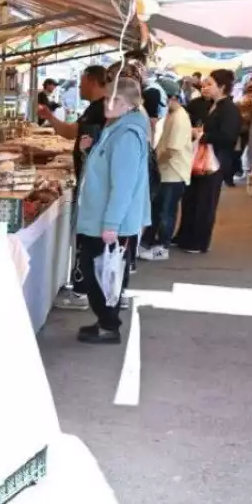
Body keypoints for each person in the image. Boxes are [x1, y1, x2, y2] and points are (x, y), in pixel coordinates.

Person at [74, 75, 151, 344]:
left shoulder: (128, 134)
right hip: (101, 217)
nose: (108, 103)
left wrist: (111, 224)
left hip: (107, 220)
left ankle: (109, 325)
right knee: (101, 271)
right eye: (107, 97)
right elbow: (105, 170)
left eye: (115, 100)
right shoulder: (117, 127)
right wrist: (88, 152)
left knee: (103, 273)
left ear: (130, 104)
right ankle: (105, 322)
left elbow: (124, 185)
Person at [40, 66, 109, 311]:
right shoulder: (99, 108)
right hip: (91, 181)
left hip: (93, 184)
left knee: (87, 236)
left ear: (92, 80)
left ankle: (82, 292)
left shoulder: (100, 109)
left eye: (81, 82)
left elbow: (71, 132)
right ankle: (93, 290)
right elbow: (72, 133)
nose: (79, 87)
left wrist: (49, 116)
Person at [174, 69, 241, 255]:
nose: (205, 87)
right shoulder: (209, 105)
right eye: (205, 83)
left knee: (206, 201)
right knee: (191, 198)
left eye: (210, 84)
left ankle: (199, 241)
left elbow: (228, 137)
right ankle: (184, 236)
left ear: (222, 87)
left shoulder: (230, 109)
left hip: (216, 162)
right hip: (200, 158)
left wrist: (203, 135)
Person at [139, 97, 194, 262]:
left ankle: (162, 247)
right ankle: (148, 242)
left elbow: (172, 150)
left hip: (173, 172)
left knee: (166, 212)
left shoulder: (179, 117)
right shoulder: (172, 114)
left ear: (174, 98)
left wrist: (156, 163)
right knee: (157, 210)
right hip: (166, 171)